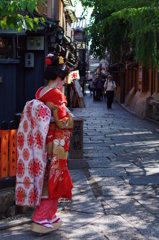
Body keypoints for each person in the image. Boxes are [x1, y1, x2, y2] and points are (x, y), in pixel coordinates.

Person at [15, 53, 74, 234]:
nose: (64, 82)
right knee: (54, 179)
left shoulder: (40, 92)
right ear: (58, 77)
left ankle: (50, 214)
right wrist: (71, 118)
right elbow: (63, 121)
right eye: (63, 78)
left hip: (44, 140)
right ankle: (40, 217)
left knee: (49, 176)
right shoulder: (57, 95)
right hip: (56, 142)